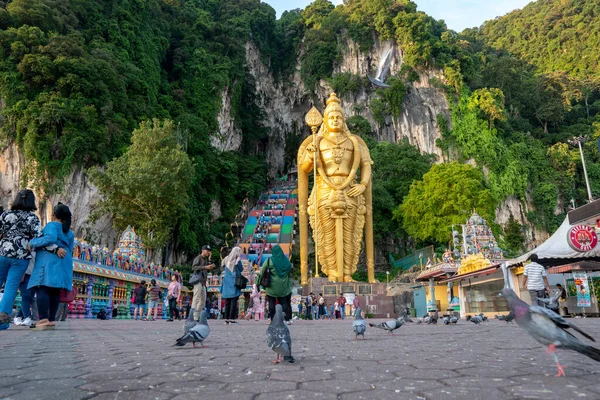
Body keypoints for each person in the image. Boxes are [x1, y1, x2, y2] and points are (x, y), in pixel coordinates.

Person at [0, 190, 43, 330]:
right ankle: (3, 322)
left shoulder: (5, 214)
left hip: (3, 253)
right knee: (10, 289)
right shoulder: (33, 218)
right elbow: (38, 238)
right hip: (21, 258)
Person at [27, 203, 74, 330]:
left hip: (49, 260)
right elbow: (70, 249)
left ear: (53, 214)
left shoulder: (52, 225)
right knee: (54, 290)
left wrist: (32, 242)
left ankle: (43, 319)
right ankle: (52, 319)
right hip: (64, 260)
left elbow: (50, 238)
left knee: (43, 287)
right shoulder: (69, 232)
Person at [256, 245, 292, 325]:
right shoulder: (286, 261)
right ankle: (287, 320)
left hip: (272, 286)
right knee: (283, 303)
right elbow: (290, 269)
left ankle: (272, 319)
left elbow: (261, 272)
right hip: (283, 286)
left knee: (271, 303)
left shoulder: (269, 260)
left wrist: (257, 283)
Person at [220, 247, 243, 323]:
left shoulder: (226, 258)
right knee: (234, 300)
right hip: (234, 282)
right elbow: (241, 269)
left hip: (226, 281)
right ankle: (232, 318)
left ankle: (226, 318)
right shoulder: (237, 260)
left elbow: (222, 265)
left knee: (227, 301)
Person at [191, 245, 214, 320]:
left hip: (203, 282)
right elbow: (193, 267)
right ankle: (193, 316)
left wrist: (210, 260)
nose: (208, 252)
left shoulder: (205, 259)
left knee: (203, 300)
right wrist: (204, 267)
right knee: (196, 298)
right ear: (203, 250)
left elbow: (208, 269)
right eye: (207, 251)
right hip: (198, 280)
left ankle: (197, 315)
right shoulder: (198, 258)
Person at [14, 255, 36, 327]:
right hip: (24, 274)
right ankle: (27, 317)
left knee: (30, 297)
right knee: (26, 295)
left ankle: (18, 317)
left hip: (33, 274)